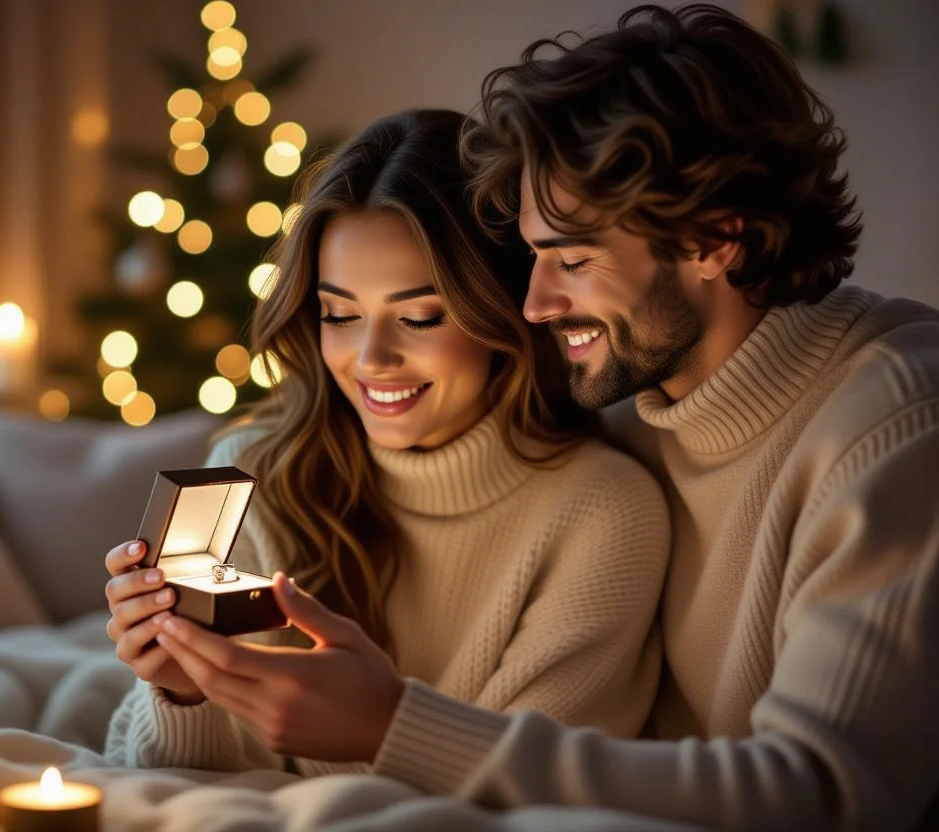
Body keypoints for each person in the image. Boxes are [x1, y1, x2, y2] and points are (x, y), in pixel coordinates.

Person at [140, 6, 939, 830]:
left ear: (717, 238)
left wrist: (391, 726)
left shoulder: (897, 423)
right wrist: (181, 677)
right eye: (532, 256)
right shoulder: (641, 413)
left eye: (573, 259)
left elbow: (830, 799)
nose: (534, 303)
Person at [102, 108, 672, 775]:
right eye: (338, 314)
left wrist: (385, 726)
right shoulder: (252, 468)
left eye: (420, 317)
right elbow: (166, 778)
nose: (371, 358)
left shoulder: (605, 512)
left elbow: (539, 787)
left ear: (501, 313)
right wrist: (180, 689)